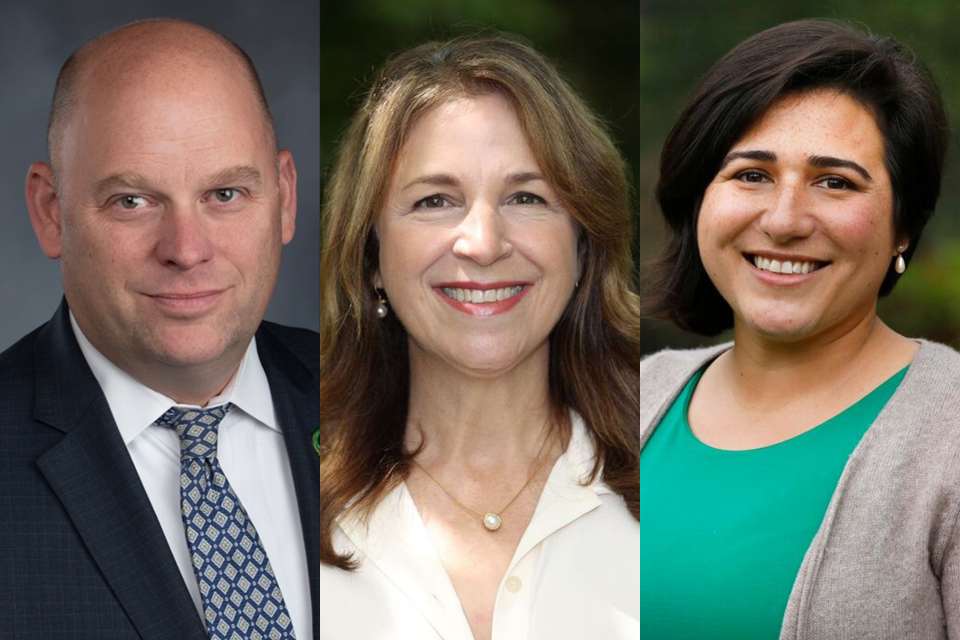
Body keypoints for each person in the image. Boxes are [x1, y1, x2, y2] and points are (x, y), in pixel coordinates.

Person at [638, 19, 956, 639]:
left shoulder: (950, 438)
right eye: (751, 174)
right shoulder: (628, 397)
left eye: (835, 182)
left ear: (903, 229)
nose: (784, 221)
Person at [318, 34, 643, 640]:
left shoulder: (670, 494)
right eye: (436, 200)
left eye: (526, 196)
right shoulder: (286, 510)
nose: (484, 243)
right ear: (371, 256)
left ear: (583, 247)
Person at [0, 20, 318, 639]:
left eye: (225, 193)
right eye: (132, 201)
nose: (187, 249)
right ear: (50, 213)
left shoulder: (387, 397)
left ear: (283, 196)